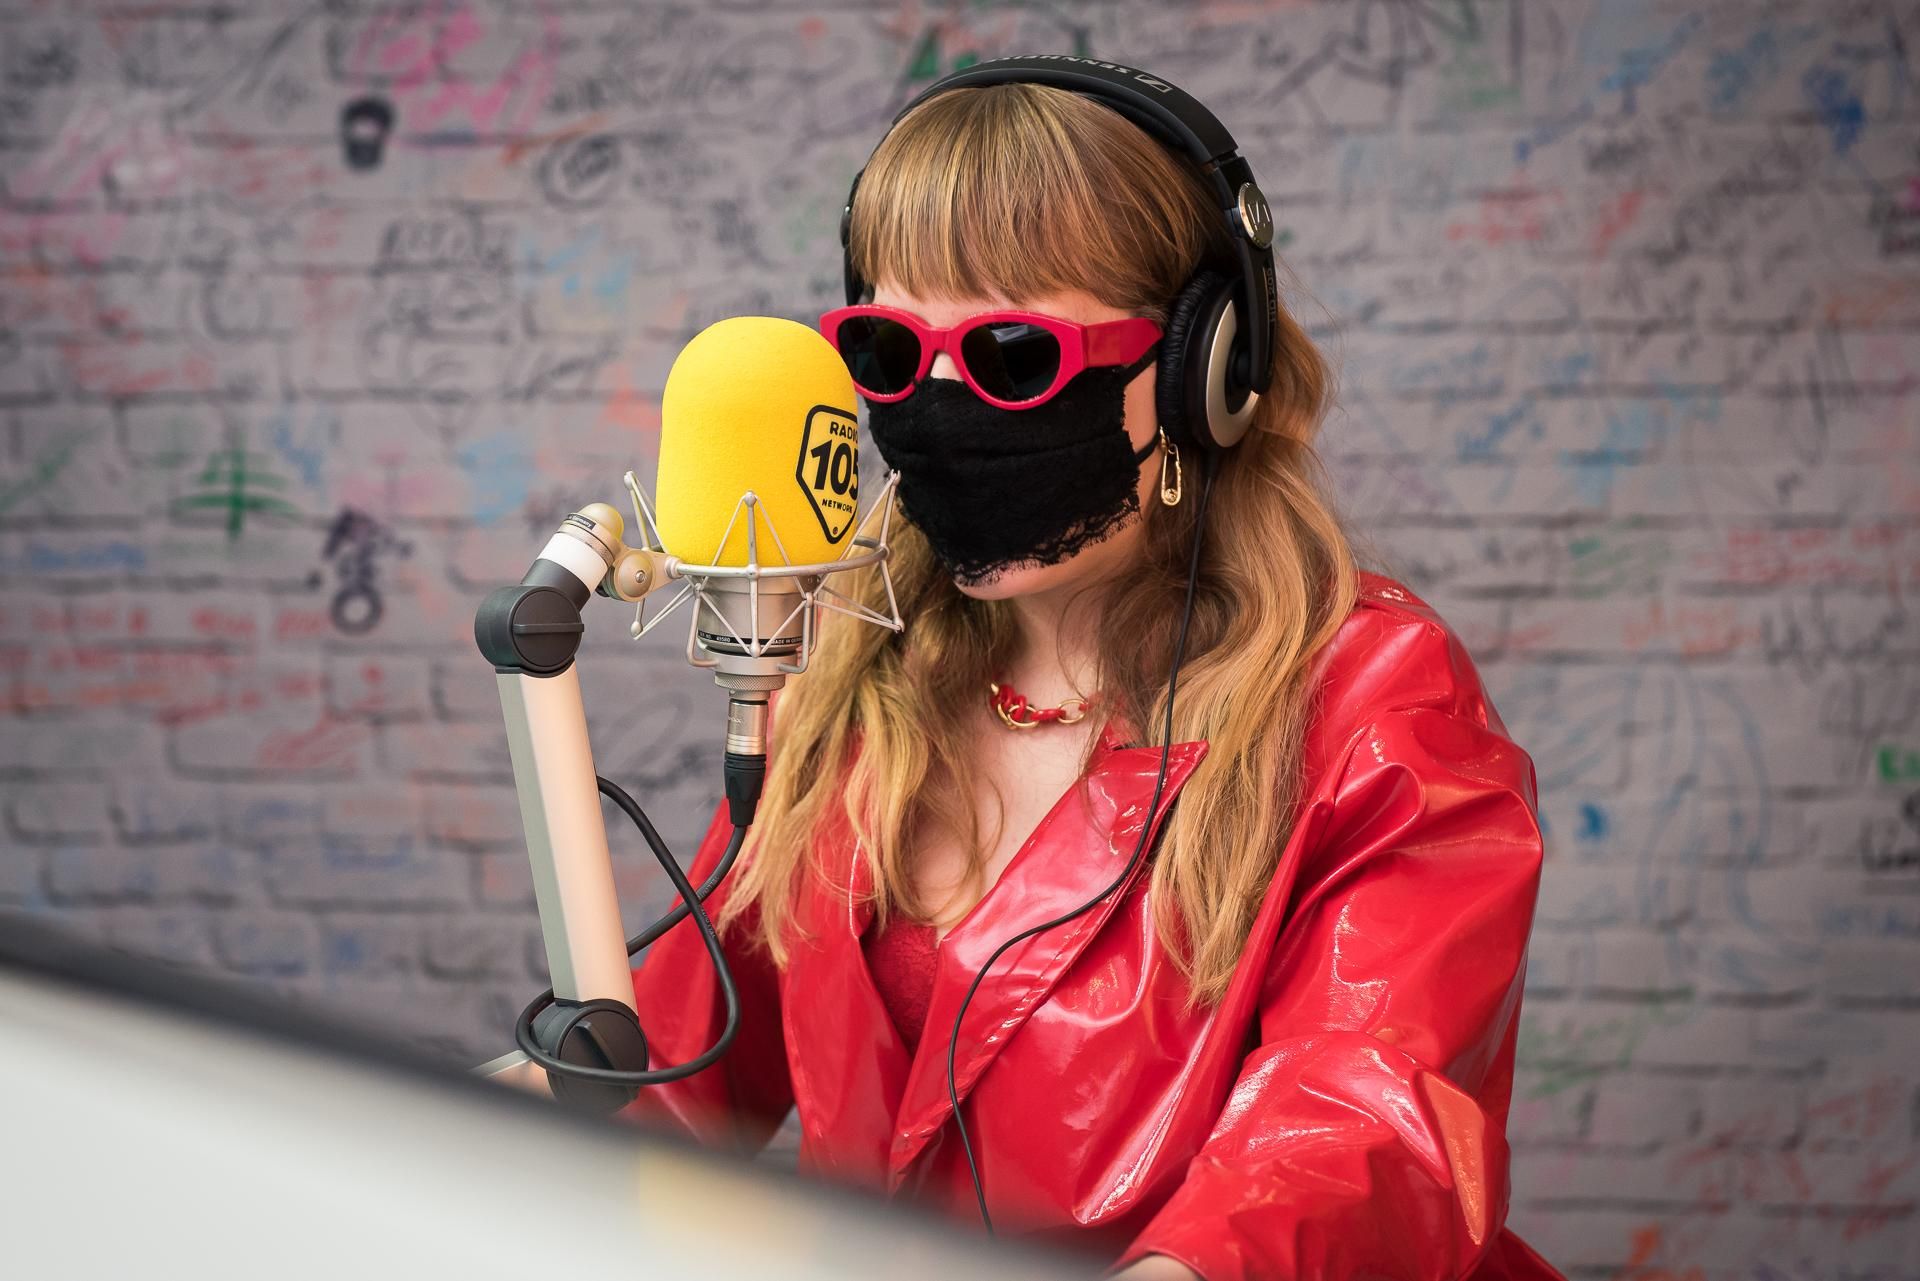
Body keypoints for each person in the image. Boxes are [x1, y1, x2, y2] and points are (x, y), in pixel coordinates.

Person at [619, 71, 1565, 1281]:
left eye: (1013, 354)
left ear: (1202, 374)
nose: (942, 409)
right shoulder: (846, 664)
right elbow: (675, 1070)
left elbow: (1369, 1117)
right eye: (891, 352)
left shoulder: (1378, 700)